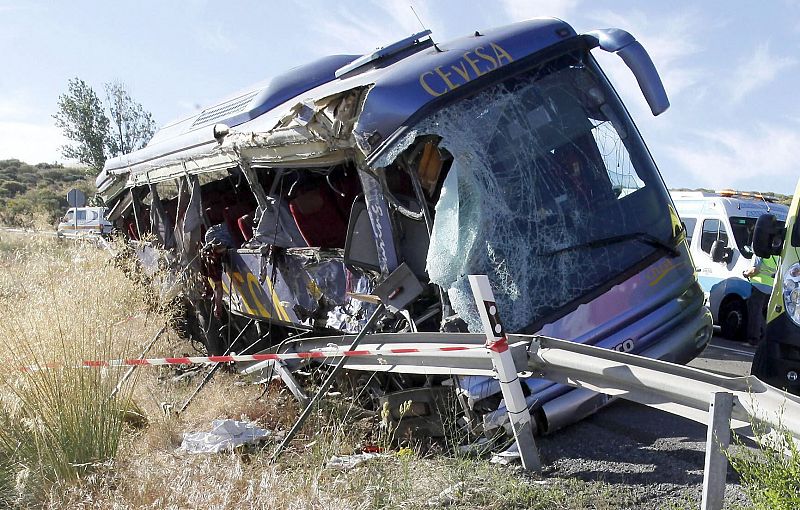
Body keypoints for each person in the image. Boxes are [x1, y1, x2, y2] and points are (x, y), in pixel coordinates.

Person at [743, 253, 778, 346]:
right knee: (765, 314)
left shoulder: (760, 252)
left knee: (755, 313)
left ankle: (753, 340)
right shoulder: (778, 254)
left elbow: (755, 270)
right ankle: (767, 339)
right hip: (772, 288)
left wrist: (746, 273)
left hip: (759, 285)